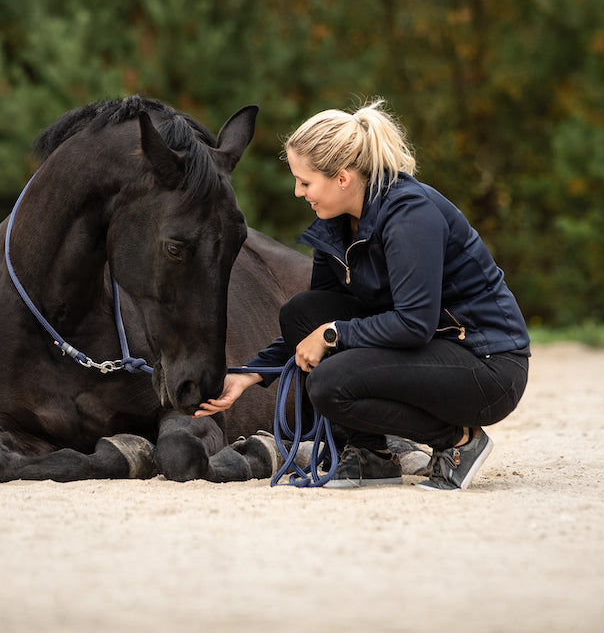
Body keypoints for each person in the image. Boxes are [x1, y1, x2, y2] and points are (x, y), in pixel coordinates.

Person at [195, 98, 530, 490]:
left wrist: (332, 335)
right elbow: (312, 322)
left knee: (330, 385)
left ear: (342, 178)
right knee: (301, 311)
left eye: (305, 182)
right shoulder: (335, 224)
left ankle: (458, 442)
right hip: (427, 349)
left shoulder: (410, 215)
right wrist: (250, 374)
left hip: (486, 364)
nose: (298, 192)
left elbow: (413, 323)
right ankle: (371, 455)